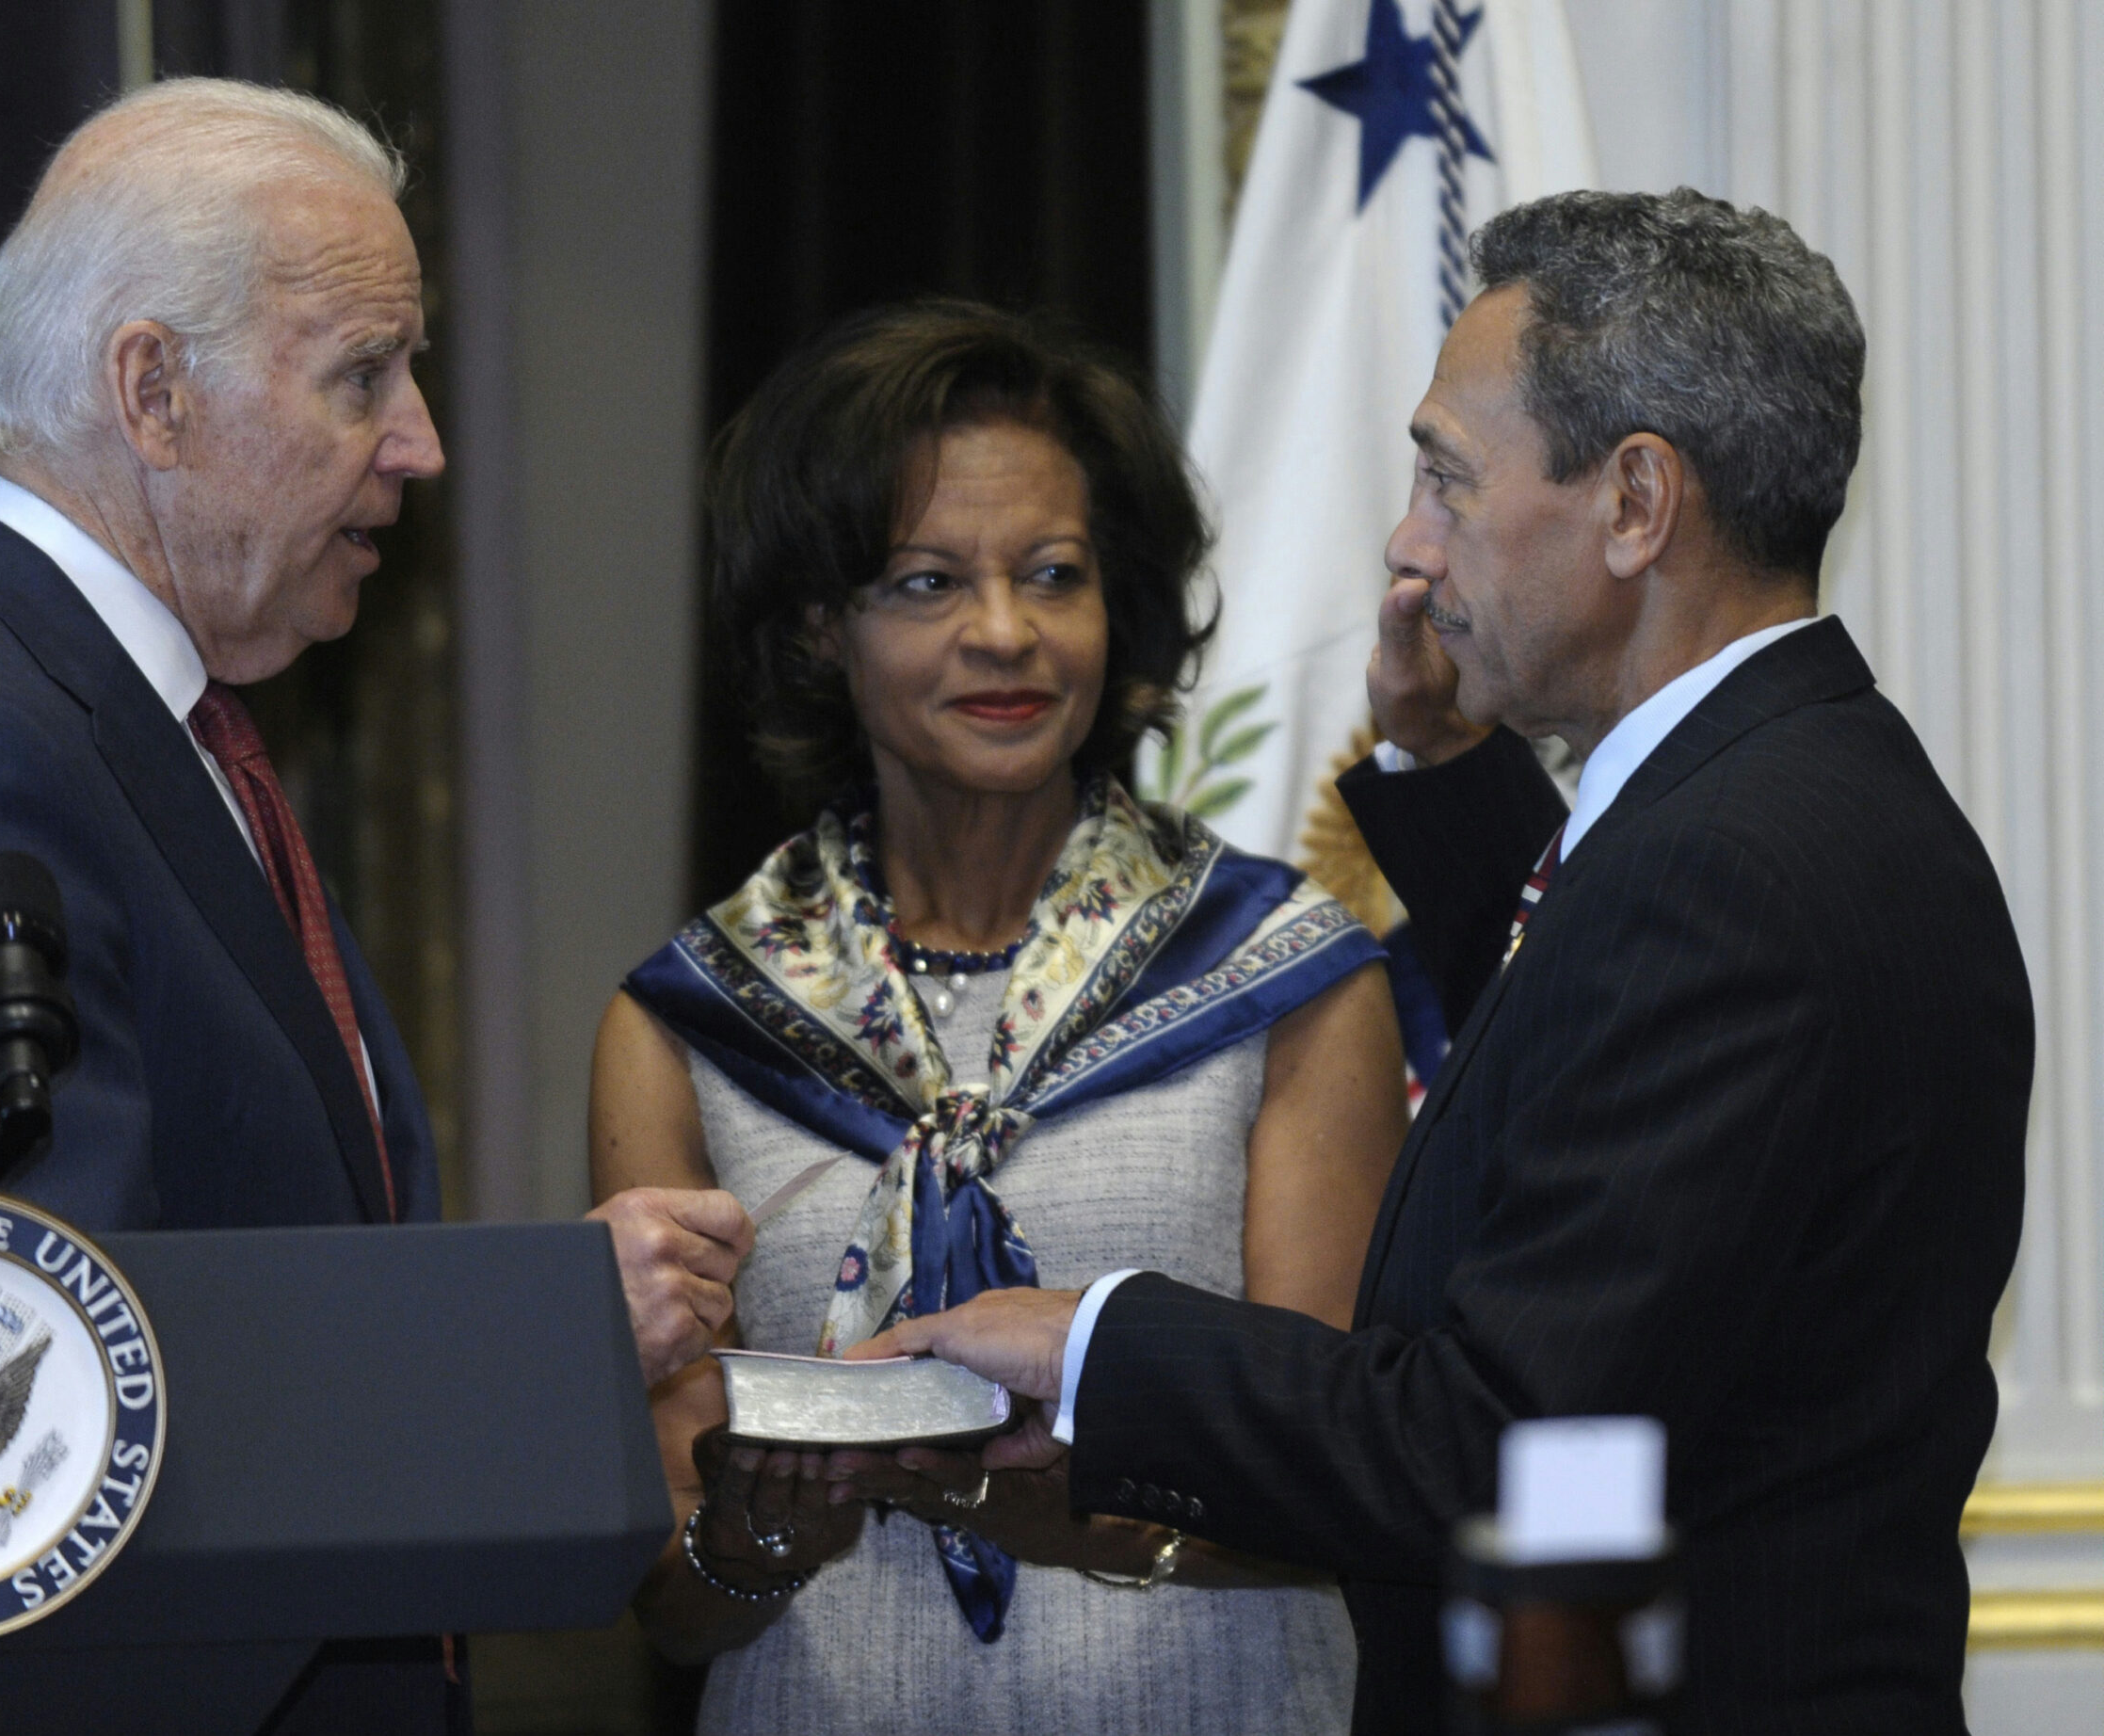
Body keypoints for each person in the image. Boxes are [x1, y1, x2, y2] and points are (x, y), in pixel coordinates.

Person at [861, 191, 2032, 1735]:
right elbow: (1590, 1088)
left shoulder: (1734, 868)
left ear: (1634, 504)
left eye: (1445, 478)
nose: (1408, 546)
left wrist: (1089, 1341)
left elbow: (1498, 1441)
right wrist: (1436, 763)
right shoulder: (1778, 802)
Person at [0, 82, 743, 1376]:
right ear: (153, 393)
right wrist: (541, 1331)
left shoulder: (155, 727)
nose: (420, 444)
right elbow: (26, 1393)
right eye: (362, 375)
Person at [594, 300, 1412, 1734]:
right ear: (817, 625)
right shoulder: (693, 1021)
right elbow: (669, 1605)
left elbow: (1342, 1478)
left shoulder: (1287, 979)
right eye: (924, 584)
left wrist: (1033, 1500)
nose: (1004, 634)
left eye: (1054, 575)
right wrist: (765, 1532)